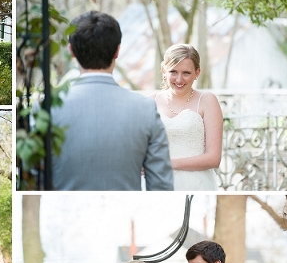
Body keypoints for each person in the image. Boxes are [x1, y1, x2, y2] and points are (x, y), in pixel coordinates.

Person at [51, 11, 174, 190]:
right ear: (117, 50)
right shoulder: (145, 109)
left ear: (71, 50)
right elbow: (161, 187)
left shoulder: (46, 109)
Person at [152, 44, 223, 190]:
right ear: (163, 70)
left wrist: (168, 163)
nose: (179, 80)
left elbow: (214, 158)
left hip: (195, 184)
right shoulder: (149, 102)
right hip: (157, 181)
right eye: (173, 72)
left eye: (186, 73)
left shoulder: (207, 100)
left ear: (197, 73)